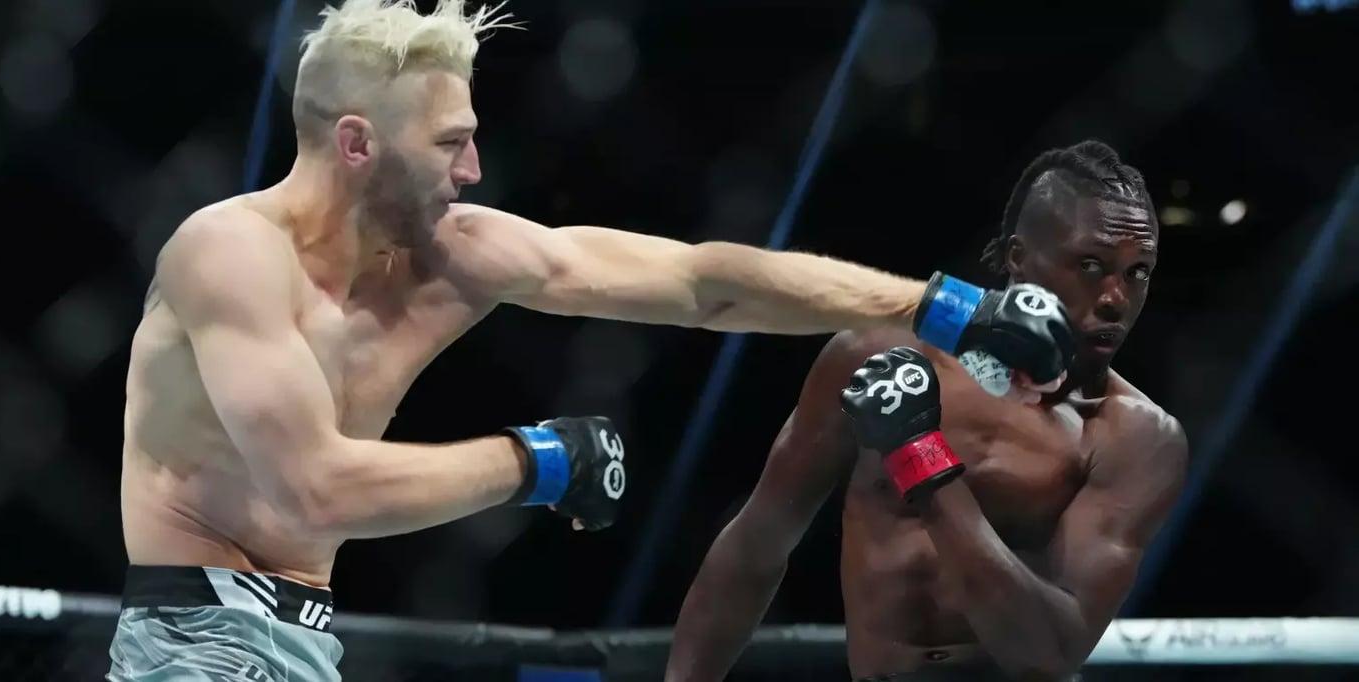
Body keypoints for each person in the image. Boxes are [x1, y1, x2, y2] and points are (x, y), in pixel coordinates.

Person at [103, 2, 1067, 680]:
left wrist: (937, 306)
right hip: (194, 638)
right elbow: (313, 488)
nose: (473, 169)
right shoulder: (229, 254)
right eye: (447, 142)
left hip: (303, 640)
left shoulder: (454, 254)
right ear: (357, 144)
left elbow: (702, 285)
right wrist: (536, 460)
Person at [666, 140, 1190, 682]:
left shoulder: (1135, 436)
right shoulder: (876, 356)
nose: (1115, 299)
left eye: (1138, 272)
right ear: (1018, 259)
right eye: (1091, 265)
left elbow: (1050, 651)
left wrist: (920, 454)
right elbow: (757, 543)